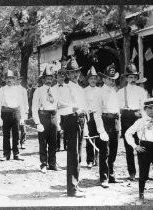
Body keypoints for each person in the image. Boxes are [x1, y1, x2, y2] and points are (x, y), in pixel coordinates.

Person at [60, 56, 88, 197]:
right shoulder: (65, 88)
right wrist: (75, 109)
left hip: (81, 121)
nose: (75, 75)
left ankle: (75, 184)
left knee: (79, 155)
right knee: (73, 155)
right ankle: (71, 189)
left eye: (77, 72)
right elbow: (61, 107)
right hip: (71, 121)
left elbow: (84, 107)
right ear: (68, 74)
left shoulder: (80, 88)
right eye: (72, 72)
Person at [118, 63, 148, 181]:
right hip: (126, 116)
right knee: (129, 145)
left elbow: (144, 108)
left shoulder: (141, 91)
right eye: (130, 77)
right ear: (126, 78)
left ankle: (143, 172)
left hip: (138, 117)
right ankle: (132, 172)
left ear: (136, 78)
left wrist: (145, 121)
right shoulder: (121, 92)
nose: (132, 79)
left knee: (141, 144)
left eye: (134, 77)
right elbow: (118, 108)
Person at [94, 63, 122, 188]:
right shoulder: (100, 93)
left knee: (114, 150)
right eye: (109, 79)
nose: (111, 81)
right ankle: (103, 177)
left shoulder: (115, 91)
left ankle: (111, 175)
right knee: (105, 151)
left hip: (115, 122)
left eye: (113, 79)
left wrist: (119, 124)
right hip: (105, 121)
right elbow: (97, 113)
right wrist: (101, 130)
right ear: (104, 79)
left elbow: (118, 109)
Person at [125, 98, 153, 205]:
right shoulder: (140, 121)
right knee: (143, 173)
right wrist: (135, 146)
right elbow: (128, 133)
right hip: (144, 148)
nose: (152, 110)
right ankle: (141, 196)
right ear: (145, 109)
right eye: (149, 108)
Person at [32, 65, 59, 173]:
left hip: (53, 116)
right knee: (43, 142)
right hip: (43, 116)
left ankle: (52, 164)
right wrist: (37, 123)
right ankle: (43, 164)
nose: (49, 80)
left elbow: (58, 106)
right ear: (43, 79)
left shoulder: (55, 90)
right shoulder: (38, 91)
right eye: (47, 78)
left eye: (50, 78)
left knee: (53, 142)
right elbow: (34, 108)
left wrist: (59, 121)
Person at [0, 70, 25, 161]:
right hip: (5, 113)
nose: (9, 80)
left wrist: (22, 117)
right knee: (6, 135)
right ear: (5, 79)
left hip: (16, 112)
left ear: (14, 79)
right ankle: (6, 154)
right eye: (7, 78)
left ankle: (16, 154)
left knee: (16, 134)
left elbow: (22, 104)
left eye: (11, 78)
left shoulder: (18, 90)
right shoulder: (2, 90)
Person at [84, 66, 101, 168]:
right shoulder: (84, 91)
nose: (93, 80)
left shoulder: (100, 90)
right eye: (91, 78)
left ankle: (97, 159)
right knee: (89, 138)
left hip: (98, 116)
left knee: (99, 138)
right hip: (89, 116)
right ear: (88, 80)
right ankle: (89, 160)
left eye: (95, 78)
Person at [53, 69, 68, 152]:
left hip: (66, 110)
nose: (61, 78)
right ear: (56, 77)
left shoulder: (68, 87)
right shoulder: (53, 88)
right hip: (57, 110)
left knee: (66, 127)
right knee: (57, 127)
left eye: (63, 76)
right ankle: (57, 146)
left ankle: (66, 145)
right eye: (59, 76)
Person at [17, 75, 29, 149]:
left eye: (19, 79)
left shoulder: (23, 90)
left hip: (22, 110)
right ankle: (16, 142)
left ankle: (23, 142)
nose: (17, 81)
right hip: (15, 110)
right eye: (16, 79)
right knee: (15, 128)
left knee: (23, 127)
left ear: (20, 80)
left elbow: (26, 101)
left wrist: (26, 111)